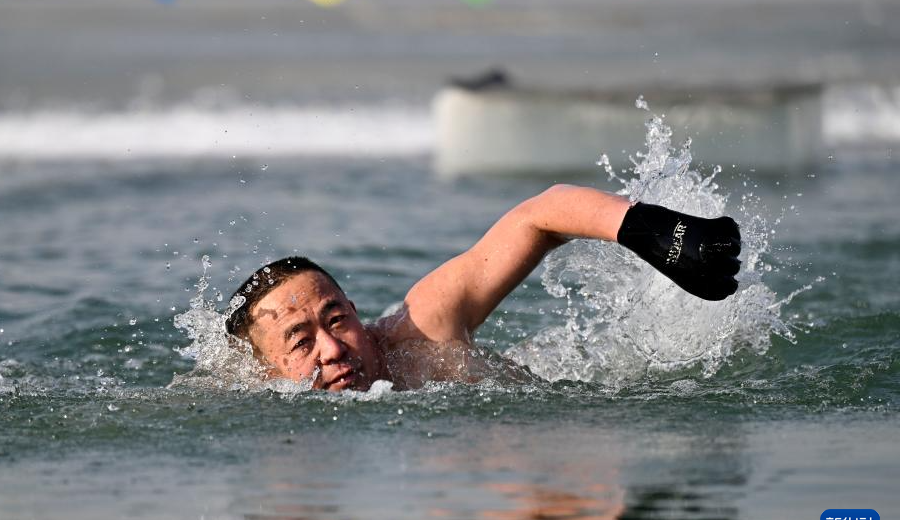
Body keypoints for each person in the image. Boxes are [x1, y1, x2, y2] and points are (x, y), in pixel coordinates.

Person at [224, 185, 741, 391]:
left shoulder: (420, 329)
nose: (333, 348)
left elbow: (539, 216)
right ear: (265, 372)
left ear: (356, 313)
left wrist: (658, 232)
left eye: (337, 319)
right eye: (300, 340)